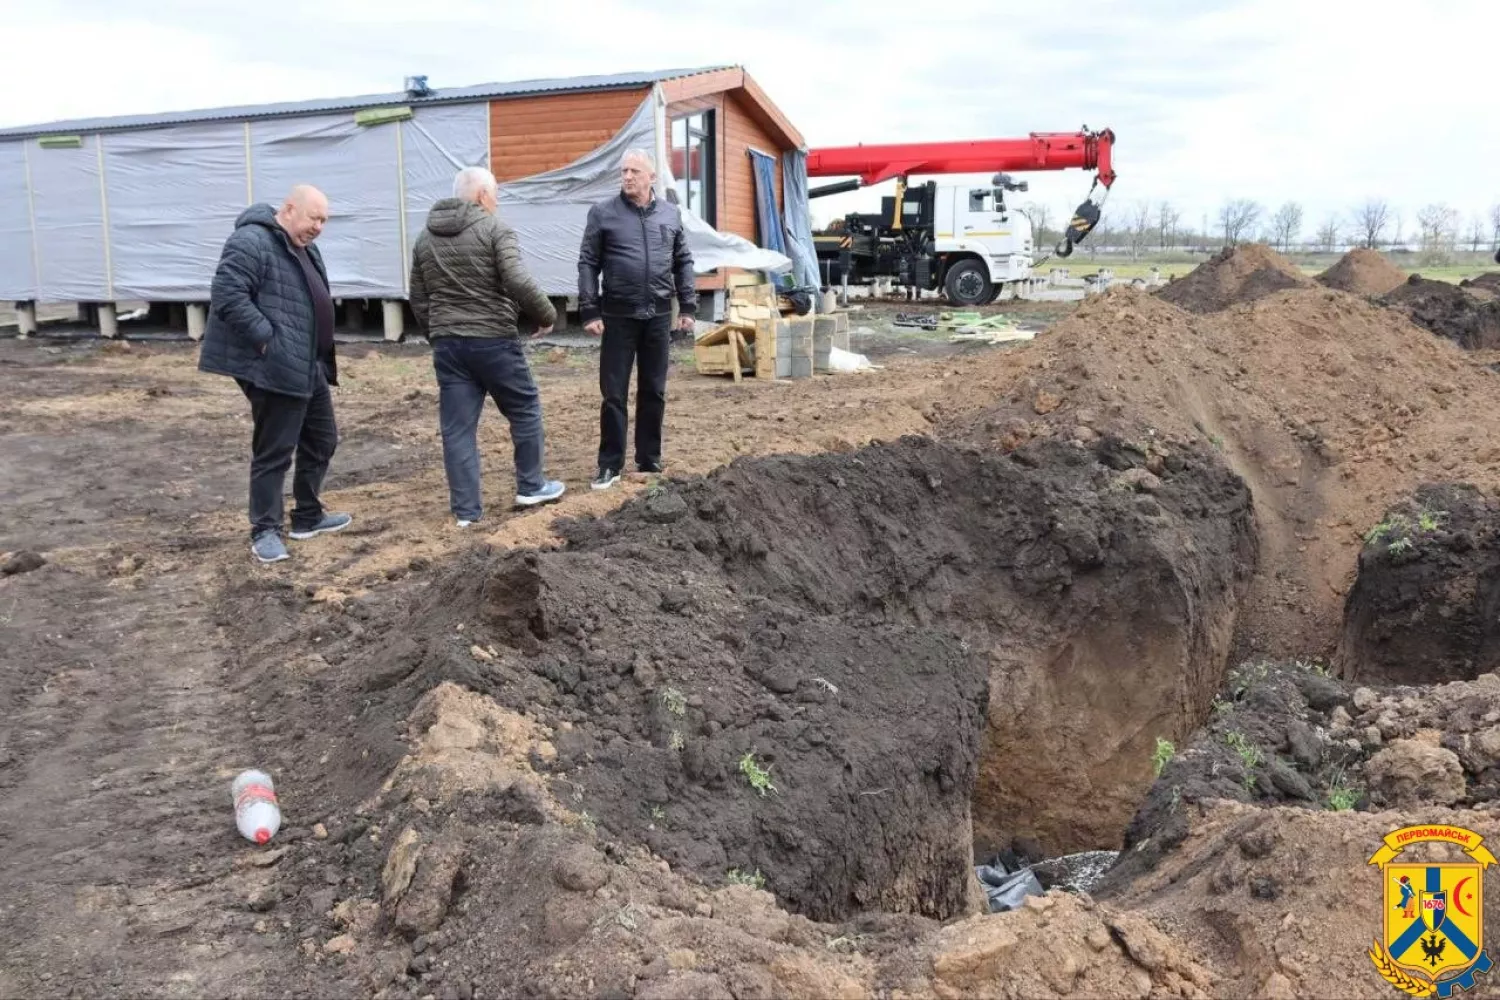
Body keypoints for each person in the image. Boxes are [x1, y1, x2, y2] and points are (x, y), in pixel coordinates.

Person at [198, 184, 351, 564]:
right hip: (275, 366)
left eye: (324, 221)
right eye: (314, 218)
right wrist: (268, 342)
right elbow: (228, 295)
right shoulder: (251, 241)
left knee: (322, 440)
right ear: (289, 209)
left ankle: (308, 516)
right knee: (275, 451)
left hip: (308, 363)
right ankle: (265, 530)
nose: (318, 227)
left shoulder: (304, 248)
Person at [408, 166, 565, 525]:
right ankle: (531, 485)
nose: (496, 201)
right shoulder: (495, 229)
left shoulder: (424, 238)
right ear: (482, 195)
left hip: (449, 346)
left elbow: (418, 296)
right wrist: (546, 314)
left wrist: (438, 334)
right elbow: (517, 279)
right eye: (494, 194)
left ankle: (466, 512)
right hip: (493, 339)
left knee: (457, 429)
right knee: (524, 408)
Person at [577, 148, 697, 490]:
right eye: (624, 171)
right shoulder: (603, 213)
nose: (627, 177)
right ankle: (609, 465)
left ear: (651, 177)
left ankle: (648, 458)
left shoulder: (670, 214)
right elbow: (588, 263)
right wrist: (589, 309)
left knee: (654, 389)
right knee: (613, 393)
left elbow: (683, 261)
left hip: (658, 315)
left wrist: (688, 306)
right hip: (618, 315)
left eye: (634, 171)